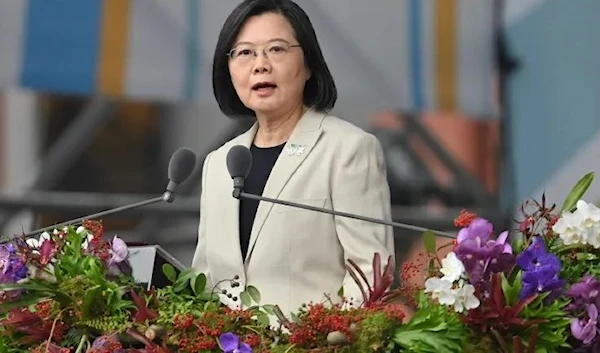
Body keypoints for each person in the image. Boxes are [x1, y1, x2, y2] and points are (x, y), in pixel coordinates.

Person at [191, 0, 395, 319]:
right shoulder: (218, 164)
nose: (260, 65)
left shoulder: (347, 149)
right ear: (227, 67)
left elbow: (370, 276)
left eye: (276, 49)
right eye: (244, 52)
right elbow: (205, 282)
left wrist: (330, 340)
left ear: (309, 64)